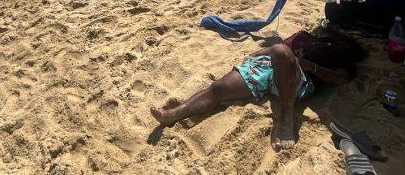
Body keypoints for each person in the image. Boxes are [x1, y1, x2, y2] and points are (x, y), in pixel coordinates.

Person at [150, 29, 364, 151]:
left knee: (281, 51)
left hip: (299, 78)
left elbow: (342, 79)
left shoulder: (342, 52)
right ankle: (174, 114)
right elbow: (278, 48)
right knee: (220, 87)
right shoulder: (305, 35)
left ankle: (285, 118)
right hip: (270, 64)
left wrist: (311, 66)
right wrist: (259, 53)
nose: (332, 30)